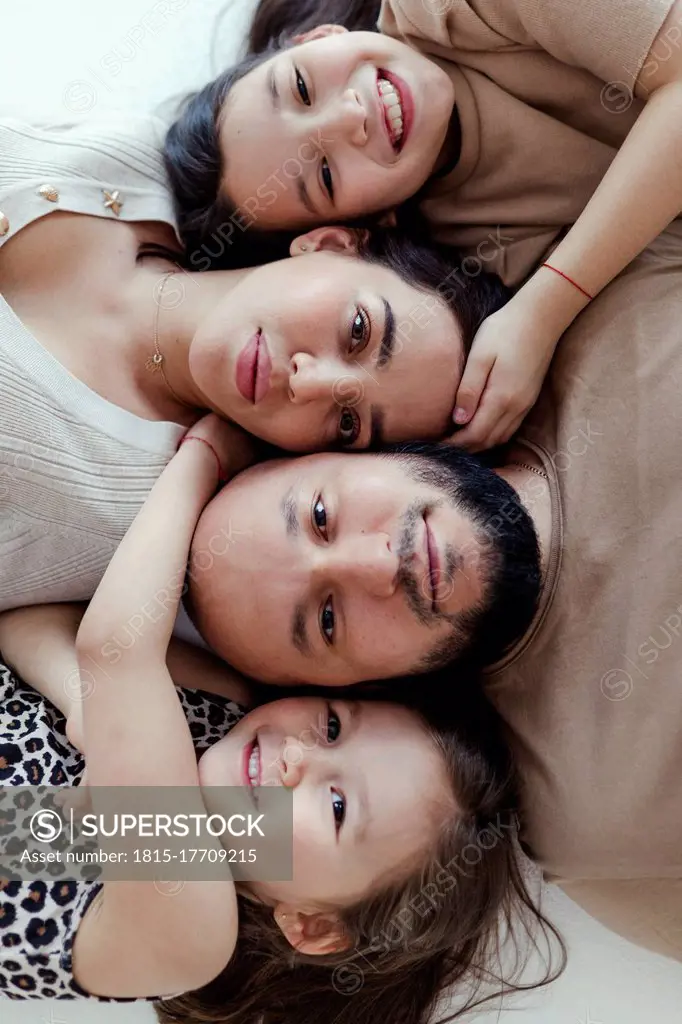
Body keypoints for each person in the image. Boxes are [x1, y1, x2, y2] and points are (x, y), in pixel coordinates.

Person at [182, 214, 682, 962]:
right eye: (326, 620)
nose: (373, 565)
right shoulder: (598, 828)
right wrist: (106, 662)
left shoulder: (575, 295)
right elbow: (40, 836)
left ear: (350, 445)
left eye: (322, 516)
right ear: (373, 688)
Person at [0, 415, 562, 1020]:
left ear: (314, 926)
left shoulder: (191, 935)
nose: (299, 758)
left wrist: (201, 460)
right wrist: (83, 701)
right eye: (331, 727)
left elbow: (113, 653)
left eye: (338, 806)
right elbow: (26, 623)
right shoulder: (219, 710)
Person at [0, 115, 506, 613]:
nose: (310, 382)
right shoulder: (128, 162)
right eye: (358, 331)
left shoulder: (123, 513)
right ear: (328, 245)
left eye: (348, 423)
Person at [166, 0, 682, 448]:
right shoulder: (473, 258)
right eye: (325, 174)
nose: (351, 115)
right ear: (361, 223)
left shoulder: (447, 12)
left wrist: (548, 306)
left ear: (318, 37)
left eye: (301, 86)